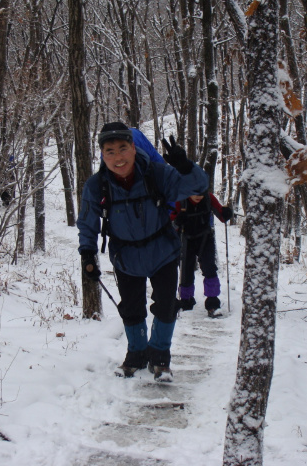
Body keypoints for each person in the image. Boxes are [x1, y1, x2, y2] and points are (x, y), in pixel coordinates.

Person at [77, 121, 208, 381]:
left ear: (134, 148)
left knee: (167, 305)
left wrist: (185, 167)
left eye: (123, 148)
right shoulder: (97, 186)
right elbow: (87, 221)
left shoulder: (157, 174)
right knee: (132, 308)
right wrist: (87, 253)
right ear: (102, 154)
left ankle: (160, 357)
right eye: (110, 151)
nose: (117, 157)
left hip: (163, 252)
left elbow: (198, 187)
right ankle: (136, 354)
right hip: (125, 256)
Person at [171, 192, 233, 318]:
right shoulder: (179, 199)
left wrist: (226, 213)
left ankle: (213, 303)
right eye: (194, 192)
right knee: (185, 270)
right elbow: (170, 223)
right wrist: (177, 220)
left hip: (205, 238)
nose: (198, 196)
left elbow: (221, 214)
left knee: (209, 268)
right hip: (184, 239)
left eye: (201, 192)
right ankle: (186, 300)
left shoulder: (209, 198)